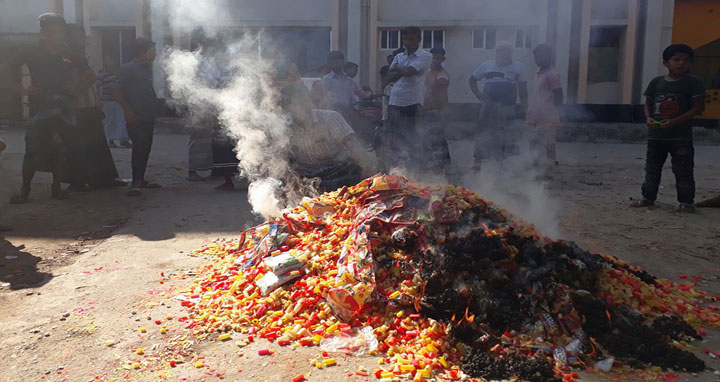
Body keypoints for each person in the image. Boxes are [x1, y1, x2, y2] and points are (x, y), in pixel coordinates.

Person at [3, 13, 95, 203]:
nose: (56, 36)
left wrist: (76, 90)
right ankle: (25, 189)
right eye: (52, 32)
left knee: (60, 148)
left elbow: (91, 76)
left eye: (60, 32)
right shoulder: (29, 51)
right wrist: (23, 90)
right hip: (40, 106)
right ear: (43, 32)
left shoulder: (70, 54)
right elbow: (4, 72)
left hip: (65, 107)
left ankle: (56, 187)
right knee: (32, 149)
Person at [277, 64, 376, 192]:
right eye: (293, 104)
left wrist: (367, 170)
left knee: (352, 179)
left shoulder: (330, 118)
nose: (302, 106)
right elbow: (282, 163)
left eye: (304, 101)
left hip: (338, 169)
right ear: (285, 109)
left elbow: (352, 145)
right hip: (306, 176)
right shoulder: (283, 129)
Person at [631, 44, 705, 213]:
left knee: (683, 170)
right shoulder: (656, 82)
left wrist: (675, 121)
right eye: (676, 60)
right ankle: (648, 198)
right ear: (666, 62)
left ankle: (686, 202)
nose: (681, 64)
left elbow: (697, 108)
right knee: (652, 169)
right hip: (656, 136)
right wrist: (649, 117)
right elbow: (648, 103)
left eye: (685, 61)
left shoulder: (693, 83)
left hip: (681, 137)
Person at [65, 23, 123, 191]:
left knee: (97, 145)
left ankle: (103, 179)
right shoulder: (66, 57)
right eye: (76, 35)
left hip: (90, 106)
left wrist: (98, 104)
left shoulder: (84, 57)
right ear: (68, 37)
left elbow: (94, 84)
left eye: (82, 35)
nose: (81, 39)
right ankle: (77, 182)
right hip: (75, 107)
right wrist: (76, 92)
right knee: (76, 146)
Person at [115, 38, 165, 196]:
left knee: (146, 147)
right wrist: (127, 111)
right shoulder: (128, 69)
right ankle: (136, 182)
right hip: (136, 115)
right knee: (139, 147)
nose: (155, 54)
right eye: (153, 50)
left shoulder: (146, 68)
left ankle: (140, 178)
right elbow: (116, 92)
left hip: (147, 114)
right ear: (143, 52)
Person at [469, 43, 528, 170]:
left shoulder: (518, 67)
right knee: (483, 131)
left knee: (505, 132)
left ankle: (500, 162)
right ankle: (477, 161)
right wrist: (479, 95)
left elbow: (523, 90)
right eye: (499, 53)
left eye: (505, 54)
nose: (501, 56)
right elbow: (472, 80)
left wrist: (524, 106)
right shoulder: (487, 65)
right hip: (489, 105)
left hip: (508, 105)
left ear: (510, 55)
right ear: (496, 54)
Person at [382, 27, 432, 171]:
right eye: (404, 39)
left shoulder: (425, 56)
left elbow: (409, 72)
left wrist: (400, 69)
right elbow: (389, 76)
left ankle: (414, 168)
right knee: (394, 135)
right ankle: (395, 168)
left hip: (412, 102)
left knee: (412, 136)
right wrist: (403, 70)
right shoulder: (399, 56)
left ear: (418, 39)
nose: (406, 42)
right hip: (395, 101)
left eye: (410, 39)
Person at [526, 44, 564, 166]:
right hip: (535, 115)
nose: (537, 59)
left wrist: (556, 111)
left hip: (547, 116)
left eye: (540, 56)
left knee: (549, 142)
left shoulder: (552, 74)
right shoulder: (539, 73)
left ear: (548, 56)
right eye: (535, 56)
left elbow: (559, 94)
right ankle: (535, 163)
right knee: (534, 142)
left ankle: (550, 163)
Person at [423, 47, 451, 173]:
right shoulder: (429, 73)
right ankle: (436, 163)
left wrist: (444, 111)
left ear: (443, 59)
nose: (435, 60)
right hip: (427, 109)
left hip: (436, 110)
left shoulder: (442, 75)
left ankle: (441, 165)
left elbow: (443, 94)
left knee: (437, 138)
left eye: (438, 58)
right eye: (433, 57)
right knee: (430, 137)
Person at [321, 51, 371, 120]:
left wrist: (352, 108)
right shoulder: (327, 79)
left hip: (348, 115)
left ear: (342, 62)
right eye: (334, 62)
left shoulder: (348, 80)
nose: (337, 64)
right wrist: (343, 109)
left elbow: (352, 97)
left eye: (339, 62)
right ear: (329, 63)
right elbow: (330, 98)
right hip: (333, 115)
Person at [98, 56, 131, 148]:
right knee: (110, 120)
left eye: (112, 61)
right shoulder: (102, 73)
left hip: (119, 100)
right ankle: (110, 140)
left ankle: (123, 139)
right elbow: (97, 85)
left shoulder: (119, 73)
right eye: (109, 61)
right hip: (108, 101)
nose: (111, 63)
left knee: (122, 119)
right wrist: (98, 99)